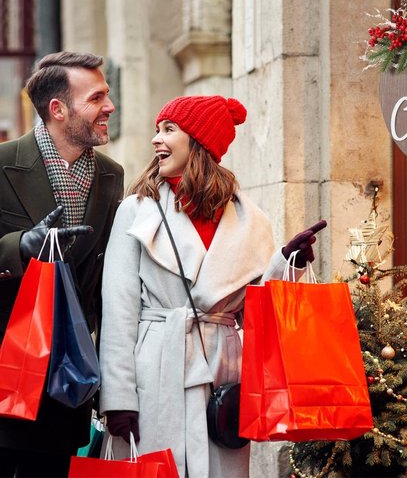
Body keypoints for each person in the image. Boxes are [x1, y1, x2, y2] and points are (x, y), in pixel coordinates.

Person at [99, 95, 326, 477]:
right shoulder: (137, 210)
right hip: (155, 369)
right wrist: (119, 398)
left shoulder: (249, 218)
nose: (157, 139)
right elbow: (119, 309)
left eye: (169, 129)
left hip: (224, 372)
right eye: (158, 129)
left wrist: (288, 261)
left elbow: (256, 309)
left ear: (200, 142)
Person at [0, 51, 124, 477]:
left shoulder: (111, 176)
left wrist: (115, 383)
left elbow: (111, 284)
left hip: (68, 389)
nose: (109, 107)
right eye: (96, 98)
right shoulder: (2, 165)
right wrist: (18, 247)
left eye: (107, 95)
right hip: (6, 379)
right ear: (57, 109)